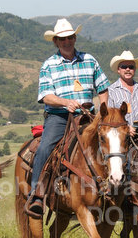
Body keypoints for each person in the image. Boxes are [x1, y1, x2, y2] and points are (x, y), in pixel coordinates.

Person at [24, 18, 110, 218]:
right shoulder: (49, 65)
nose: (67, 41)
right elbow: (46, 96)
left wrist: (103, 112)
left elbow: (103, 88)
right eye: (62, 39)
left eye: (70, 37)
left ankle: (118, 188)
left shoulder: (89, 60)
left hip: (88, 116)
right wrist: (65, 103)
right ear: (56, 41)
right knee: (45, 147)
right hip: (59, 117)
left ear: (75, 38)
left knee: (113, 144)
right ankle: (37, 195)